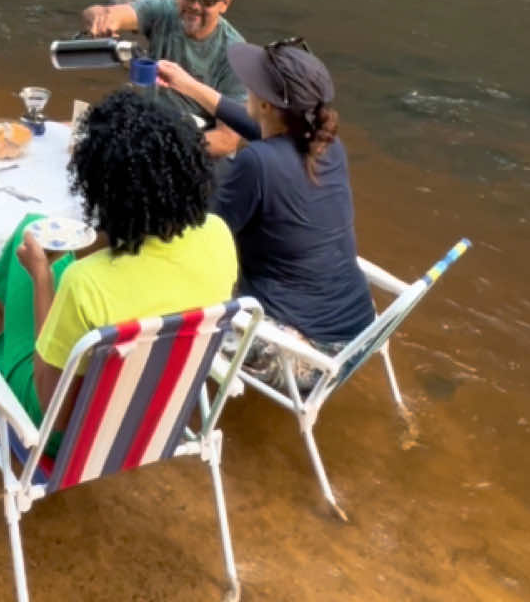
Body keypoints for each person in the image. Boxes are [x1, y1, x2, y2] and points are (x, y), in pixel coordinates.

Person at [0, 90, 237, 427]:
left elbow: (54, 411)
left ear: (99, 191)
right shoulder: (218, 234)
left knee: (28, 237)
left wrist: (42, 278)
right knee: (35, 238)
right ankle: (9, 349)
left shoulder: (85, 282)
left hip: (72, 435)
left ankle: (2, 361)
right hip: (155, 417)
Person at [160, 40, 376, 387]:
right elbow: (254, 128)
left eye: (251, 82)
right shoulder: (327, 144)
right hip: (358, 335)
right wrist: (188, 85)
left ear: (265, 104)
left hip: (304, 355)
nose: (245, 85)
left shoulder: (257, 162)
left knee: (160, 290)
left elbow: (203, 241)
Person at [81, 0, 245, 156]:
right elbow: (108, 12)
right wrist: (102, 18)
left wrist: (160, 148)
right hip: (146, 124)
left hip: (191, 146)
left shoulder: (236, 55)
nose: (194, 5)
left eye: (207, 0)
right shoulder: (165, 12)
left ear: (225, 3)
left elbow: (226, 140)